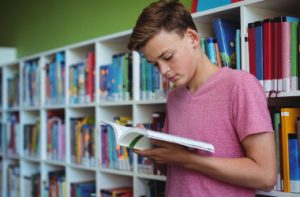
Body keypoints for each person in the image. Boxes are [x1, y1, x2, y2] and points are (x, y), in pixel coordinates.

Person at [127, 0, 276, 196]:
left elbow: (265, 176)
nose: (163, 70)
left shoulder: (240, 85)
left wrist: (187, 159)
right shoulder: (174, 98)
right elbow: (176, 171)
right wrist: (152, 151)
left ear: (193, 38)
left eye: (168, 57)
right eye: (155, 64)